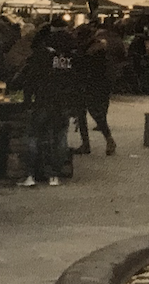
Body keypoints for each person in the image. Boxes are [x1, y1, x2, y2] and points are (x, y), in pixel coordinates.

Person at [18, 25, 79, 187]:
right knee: (59, 138)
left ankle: (31, 175)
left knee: (34, 136)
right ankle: (54, 176)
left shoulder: (42, 56)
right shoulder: (71, 59)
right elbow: (77, 84)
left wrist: (26, 100)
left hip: (43, 101)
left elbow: (30, 79)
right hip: (63, 104)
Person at [74, 25, 118, 155]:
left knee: (93, 113)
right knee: (85, 114)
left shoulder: (94, 51)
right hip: (93, 84)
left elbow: (90, 68)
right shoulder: (93, 48)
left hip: (92, 85)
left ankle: (106, 141)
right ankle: (90, 143)